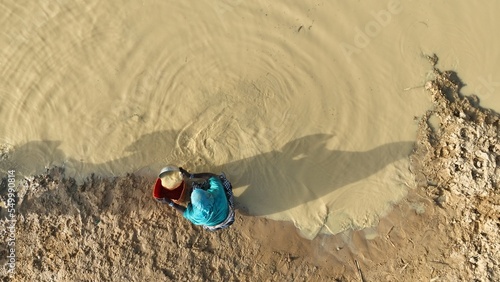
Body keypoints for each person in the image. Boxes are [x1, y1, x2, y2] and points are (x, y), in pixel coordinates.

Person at [152, 165, 235, 231]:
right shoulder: (217, 193)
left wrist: (170, 202)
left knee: (207, 226)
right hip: (228, 216)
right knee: (221, 180)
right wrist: (191, 175)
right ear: (208, 195)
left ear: (193, 204)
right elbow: (211, 176)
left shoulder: (196, 215)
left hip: (215, 225)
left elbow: (184, 211)